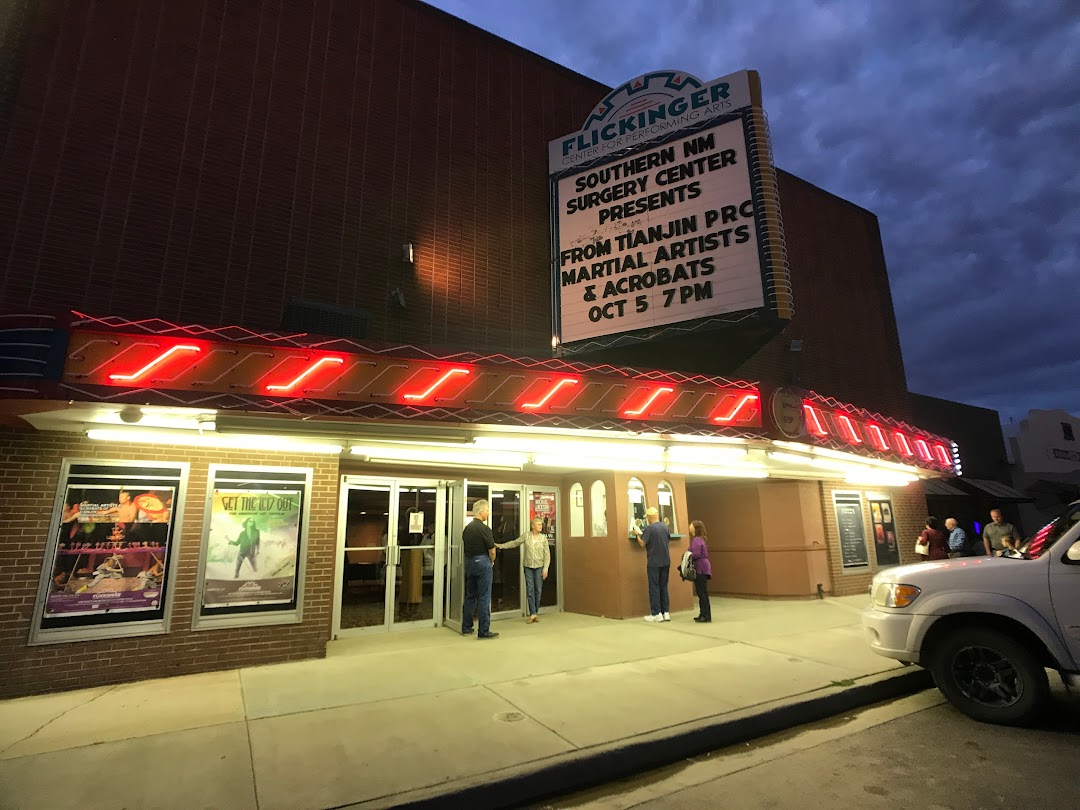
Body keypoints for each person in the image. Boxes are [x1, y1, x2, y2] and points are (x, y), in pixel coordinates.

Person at [496, 516, 550, 624]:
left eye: (541, 524)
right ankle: (533, 613)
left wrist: (545, 569)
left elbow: (547, 555)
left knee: (538, 590)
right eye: (538, 524)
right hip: (528, 566)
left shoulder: (543, 538)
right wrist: (501, 546)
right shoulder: (526, 536)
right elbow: (515, 543)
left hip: (539, 567)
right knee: (530, 589)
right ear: (533, 526)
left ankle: (536, 611)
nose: (541, 526)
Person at [461, 499, 499, 639]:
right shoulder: (484, 529)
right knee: (484, 597)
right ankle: (483, 630)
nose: (488, 513)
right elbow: (492, 550)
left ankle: (466, 627)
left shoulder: (467, 528)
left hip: (470, 563)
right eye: (488, 510)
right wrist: (491, 561)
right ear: (481, 511)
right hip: (483, 562)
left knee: (470, 595)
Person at [635, 506, 671, 622]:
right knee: (663, 586)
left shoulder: (650, 529)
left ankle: (656, 613)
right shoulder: (665, 527)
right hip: (666, 561)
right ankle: (666, 612)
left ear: (650, 517)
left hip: (654, 562)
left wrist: (637, 534)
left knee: (654, 587)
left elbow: (642, 543)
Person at [688, 519, 712, 623]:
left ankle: (705, 615)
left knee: (702, 592)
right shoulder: (699, 539)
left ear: (695, 528)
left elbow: (696, 554)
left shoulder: (696, 540)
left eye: (691, 525)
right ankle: (704, 613)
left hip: (700, 568)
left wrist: (687, 556)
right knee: (702, 592)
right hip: (703, 567)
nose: (689, 526)